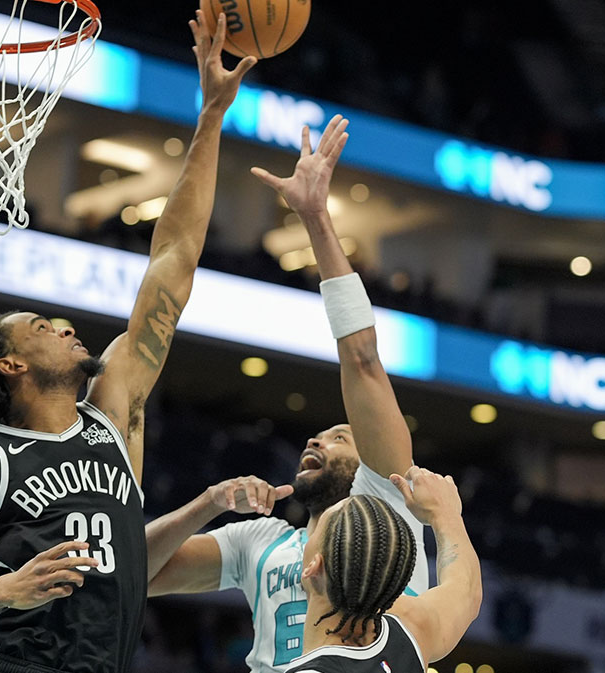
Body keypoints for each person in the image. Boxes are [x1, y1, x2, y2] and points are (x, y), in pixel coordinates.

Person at [0, 12, 256, 673]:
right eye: (41, 327)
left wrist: (212, 118)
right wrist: (1, 589)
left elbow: (174, 257)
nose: (64, 327)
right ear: (12, 363)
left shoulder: (114, 410)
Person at [145, 116, 430, 672]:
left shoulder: (388, 499)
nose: (317, 438)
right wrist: (205, 505)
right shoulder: (262, 539)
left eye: (340, 436)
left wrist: (316, 218)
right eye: (320, 433)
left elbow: (364, 361)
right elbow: (133, 573)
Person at [286, 469, 481, 672]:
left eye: (316, 531)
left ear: (314, 567)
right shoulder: (411, 627)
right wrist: (445, 514)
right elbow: (466, 590)